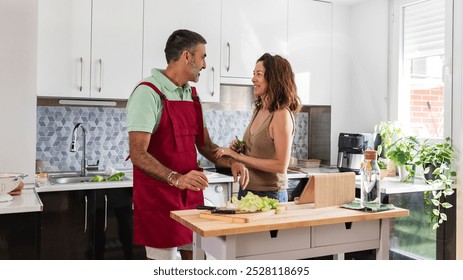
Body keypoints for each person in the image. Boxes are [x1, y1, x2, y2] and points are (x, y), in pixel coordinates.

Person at [126, 29, 249, 260]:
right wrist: (176, 178)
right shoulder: (147, 93)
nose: (204, 65)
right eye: (202, 57)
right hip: (159, 198)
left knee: (197, 258)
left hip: (189, 195)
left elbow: (205, 145)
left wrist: (231, 162)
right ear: (186, 56)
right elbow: (137, 153)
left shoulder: (191, 95)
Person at [215, 53, 301, 202]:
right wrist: (241, 148)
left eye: (259, 74)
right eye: (254, 74)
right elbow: (258, 151)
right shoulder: (259, 110)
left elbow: (281, 165)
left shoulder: (281, 115)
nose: (253, 79)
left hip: (270, 195)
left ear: (273, 79)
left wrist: (237, 156)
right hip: (247, 191)